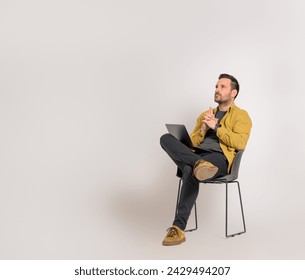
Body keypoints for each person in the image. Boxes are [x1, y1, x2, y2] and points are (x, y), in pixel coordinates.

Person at [160, 73, 252, 246]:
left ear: (233, 93)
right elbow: (191, 144)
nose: (217, 89)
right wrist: (202, 129)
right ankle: (197, 163)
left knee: (188, 170)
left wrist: (216, 127)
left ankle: (178, 228)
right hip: (199, 155)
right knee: (165, 138)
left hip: (220, 160)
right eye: (216, 86)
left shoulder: (241, 116)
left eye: (222, 87)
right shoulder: (205, 114)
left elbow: (241, 143)